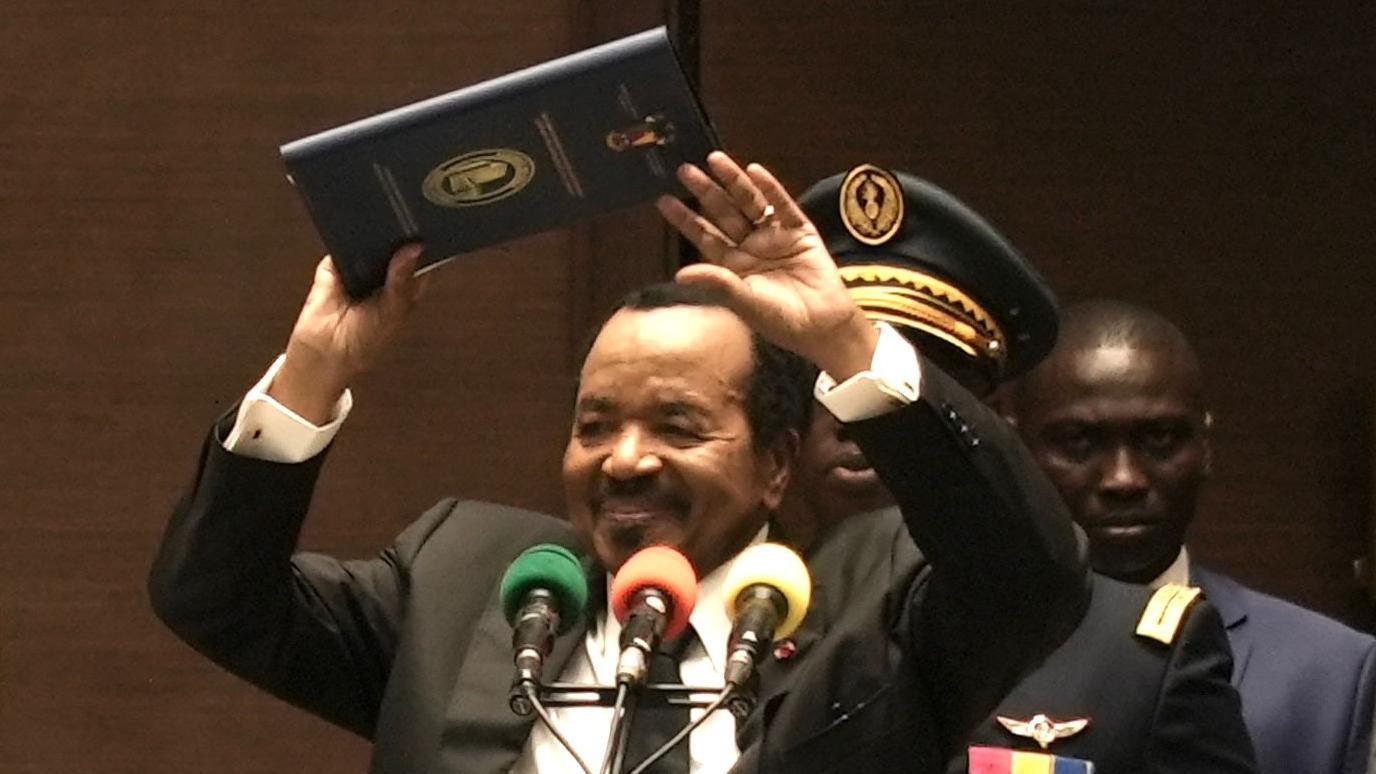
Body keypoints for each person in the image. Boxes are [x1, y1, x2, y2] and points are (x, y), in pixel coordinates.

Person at [148, 152, 1087, 773]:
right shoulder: (463, 579)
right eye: (595, 425)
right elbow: (215, 597)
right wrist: (316, 369)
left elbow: (1031, 574)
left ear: (776, 463)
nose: (625, 460)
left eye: (678, 426)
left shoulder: (876, 602)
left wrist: (845, 341)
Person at [769, 166, 1255, 773]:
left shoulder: (1134, 651)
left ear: (991, 420)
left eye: (910, 383)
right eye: (828, 375)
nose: (861, 413)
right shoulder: (732, 626)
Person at [1004, 298, 1376, 774]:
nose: (1124, 479)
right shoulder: (956, 652)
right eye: (1080, 441)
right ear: (1017, 450)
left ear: (1204, 446)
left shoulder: (1329, 673)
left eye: (1159, 438)